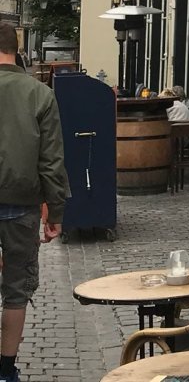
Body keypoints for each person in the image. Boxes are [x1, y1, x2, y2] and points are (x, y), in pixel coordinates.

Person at [0, 22, 69, 382]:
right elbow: (51, 161)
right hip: (21, 204)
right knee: (16, 290)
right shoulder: (40, 94)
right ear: (17, 51)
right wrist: (54, 212)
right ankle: (5, 369)